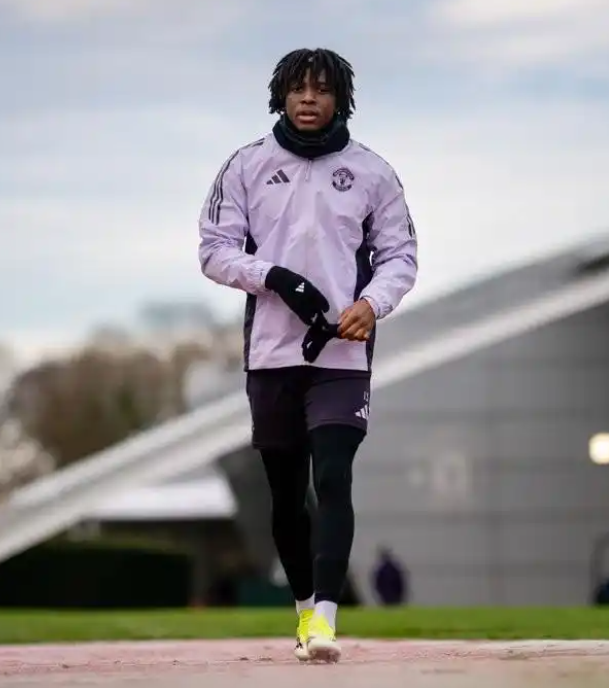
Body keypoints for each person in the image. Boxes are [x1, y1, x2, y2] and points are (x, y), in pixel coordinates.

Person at [198, 47, 418, 663]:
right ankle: (302, 609)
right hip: (271, 354)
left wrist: (372, 303)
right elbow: (213, 250)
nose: (309, 99)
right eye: (299, 89)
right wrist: (273, 277)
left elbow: (400, 255)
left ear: (339, 98)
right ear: (282, 96)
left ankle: (325, 617)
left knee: (334, 476)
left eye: (321, 89)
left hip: (341, 355)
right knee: (287, 495)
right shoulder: (246, 166)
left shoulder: (372, 172)